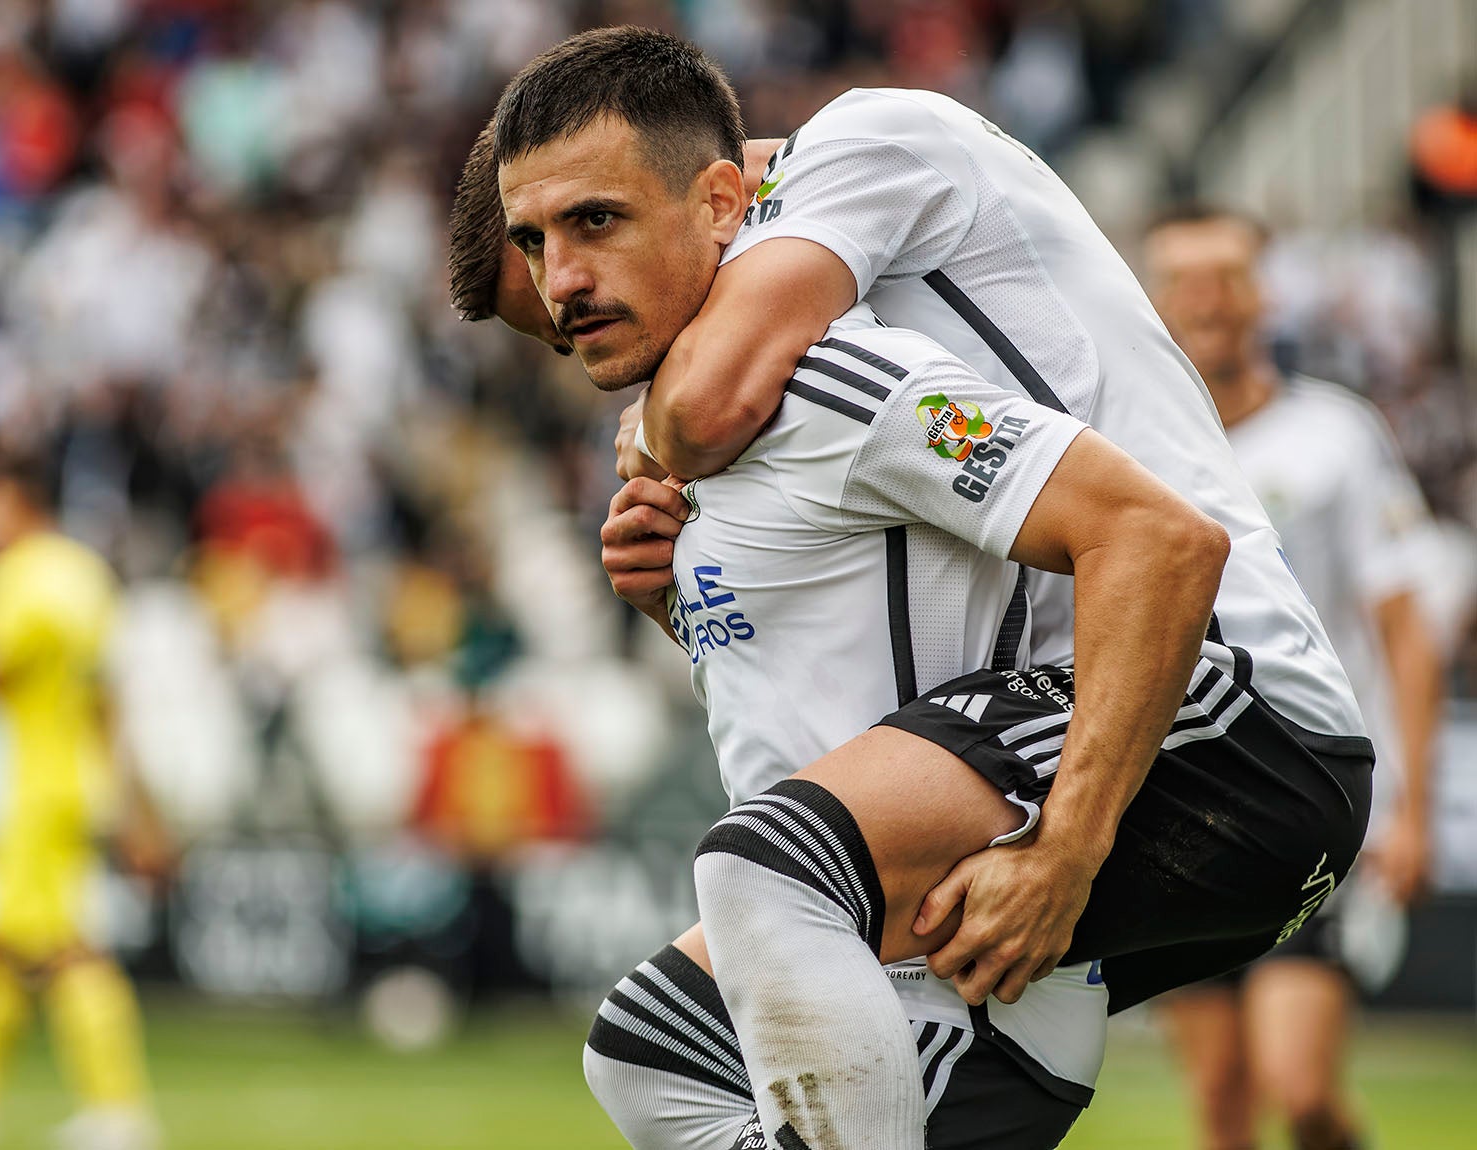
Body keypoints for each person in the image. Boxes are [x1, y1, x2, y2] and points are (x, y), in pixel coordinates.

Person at [485, 27, 1372, 1149]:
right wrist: (675, 595)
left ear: (724, 199)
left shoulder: (838, 300)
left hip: (1227, 714)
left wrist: (1063, 850)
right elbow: (824, 681)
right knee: (652, 1047)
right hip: (996, 866)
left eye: (593, 224)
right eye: (533, 247)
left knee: (764, 866)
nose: (561, 285)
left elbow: (1159, 541)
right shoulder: (742, 436)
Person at [1144, 206, 1443, 1150]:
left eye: (1226, 277)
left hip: (1317, 796)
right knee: (1221, 1102)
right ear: (1151, 301)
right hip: (1178, 802)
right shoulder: (1128, 444)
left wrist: (1415, 809)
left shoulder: (1337, 434)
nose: (1207, 300)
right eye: (1183, 280)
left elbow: (1404, 628)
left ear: (1261, 293)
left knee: (1298, 1087)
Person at [0, 459, 163, 1150]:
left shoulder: (16, 579)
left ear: (16, 502)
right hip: (73, 782)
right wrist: (129, 794)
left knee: (65, 949)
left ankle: (118, 1113)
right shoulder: (84, 575)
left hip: (33, 789)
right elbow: (107, 698)